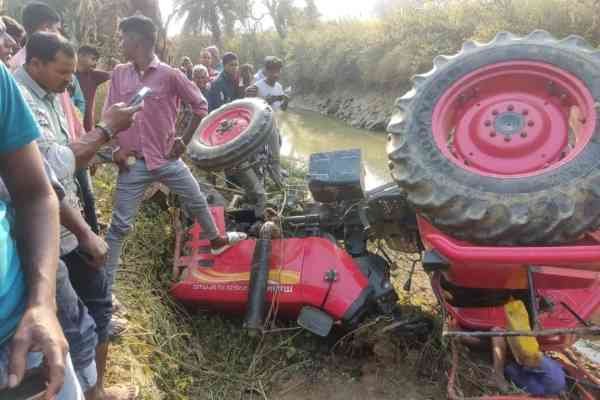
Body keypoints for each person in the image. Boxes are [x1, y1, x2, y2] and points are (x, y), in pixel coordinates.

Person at [103, 14, 246, 398]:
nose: (120, 42)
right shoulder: (120, 73)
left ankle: (216, 239)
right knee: (119, 227)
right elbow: (109, 113)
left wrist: (182, 141)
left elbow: (201, 108)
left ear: (141, 38)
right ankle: (105, 295)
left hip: (166, 158)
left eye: (124, 36)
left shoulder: (168, 75)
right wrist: (115, 149)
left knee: (196, 197)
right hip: (133, 164)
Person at [15, 32, 141, 400]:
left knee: (95, 307)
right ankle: (87, 392)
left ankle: (94, 389)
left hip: (66, 225)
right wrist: (105, 130)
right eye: (63, 71)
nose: (71, 79)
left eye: (73, 72)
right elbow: (47, 173)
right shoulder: (19, 100)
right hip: (49, 232)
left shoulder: (53, 95)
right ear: (34, 63)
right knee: (80, 322)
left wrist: (104, 144)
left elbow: (72, 162)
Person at [0, 60, 84, 399]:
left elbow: (35, 192)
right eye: (62, 72)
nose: (69, 80)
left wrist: (41, 304)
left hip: (22, 334)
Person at [76, 45, 111, 234]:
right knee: (84, 189)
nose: (94, 63)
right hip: (72, 136)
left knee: (88, 181)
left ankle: (91, 221)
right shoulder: (68, 75)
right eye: (92, 58)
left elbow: (116, 74)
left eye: (96, 60)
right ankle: (91, 228)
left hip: (88, 133)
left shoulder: (94, 76)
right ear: (80, 56)